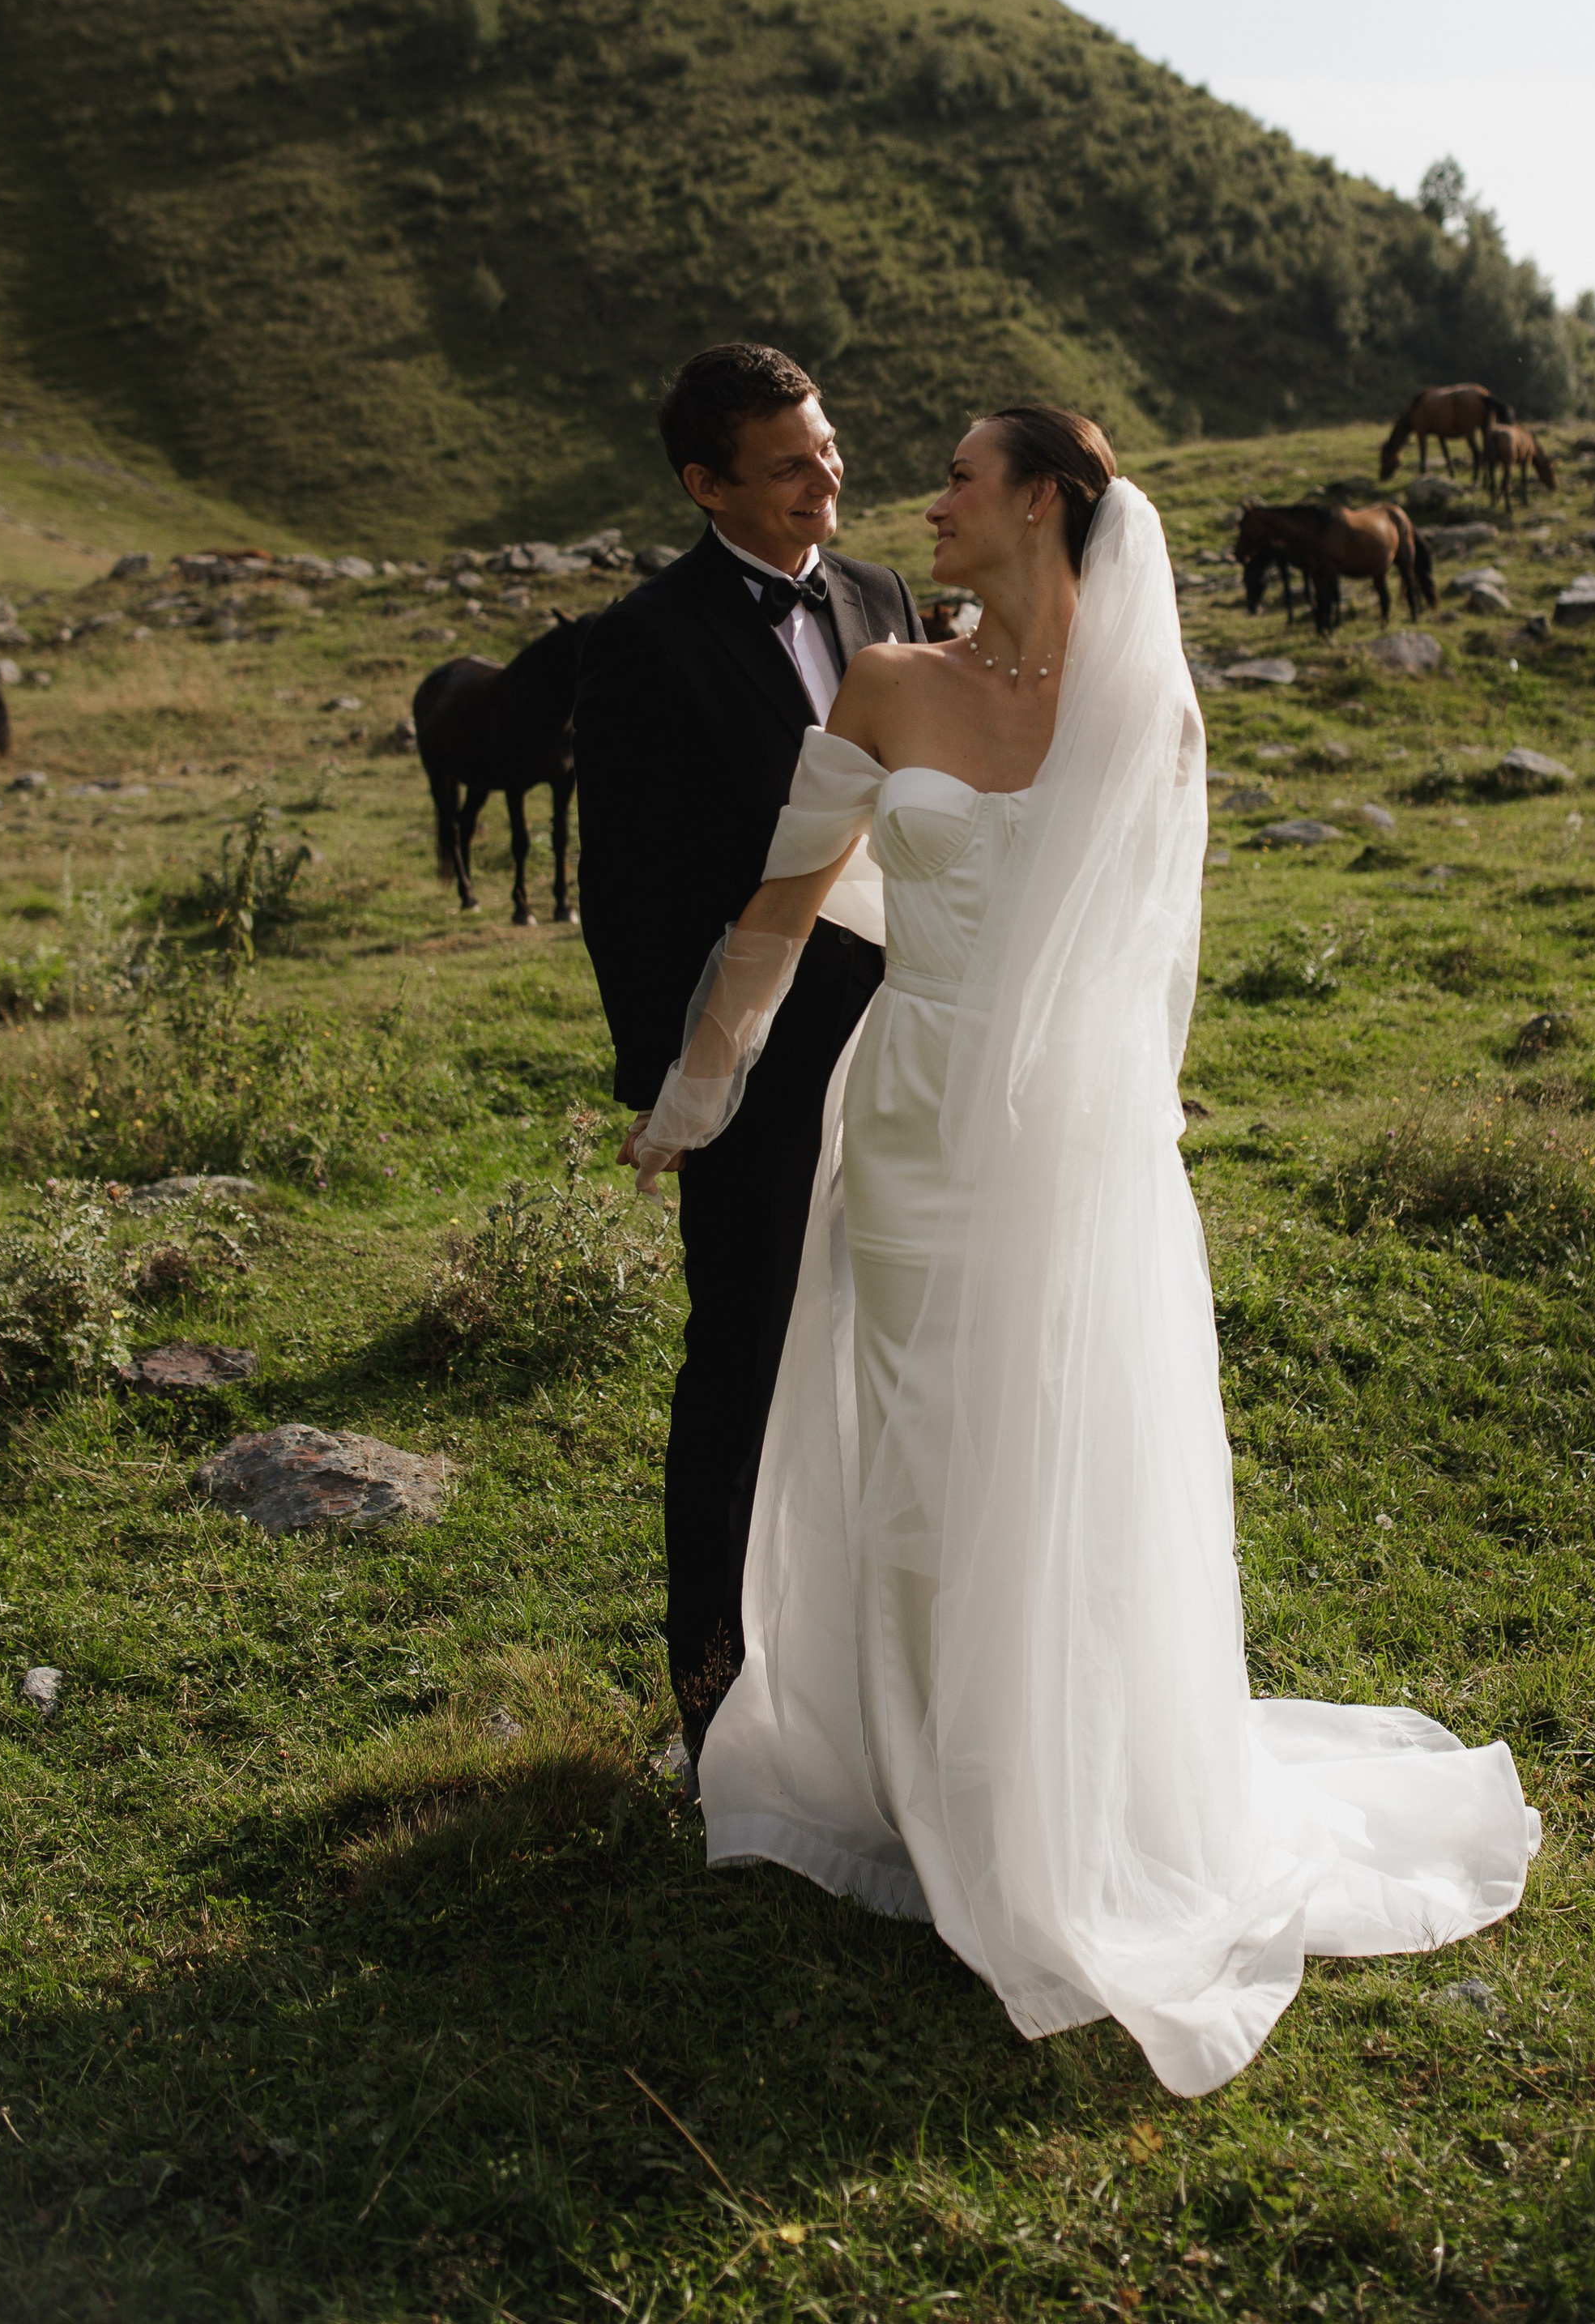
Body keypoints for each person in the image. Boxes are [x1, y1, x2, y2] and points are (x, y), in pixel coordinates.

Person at [627, 403, 1540, 2097]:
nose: (927, 504)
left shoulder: (1151, 713)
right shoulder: (887, 682)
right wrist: (698, 1089)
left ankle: (1060, 1782)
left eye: (959, 479)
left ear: (1041, 501)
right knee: (920, 1429)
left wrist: (1128, 1135)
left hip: (1074, 1138)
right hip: (912, 1118)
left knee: (1060, 1434)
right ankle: (923, 1771)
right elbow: (782, 905)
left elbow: (1147, 961)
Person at [575, 344, 924, 1761]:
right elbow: (627, 889)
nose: (823, 478)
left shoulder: (882, 597)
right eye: (787, 464)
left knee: (895, 1348)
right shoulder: (642, 641)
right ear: (704, 485)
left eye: (826, 448)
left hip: (907, 1046)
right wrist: (688, 1080)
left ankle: (869, 1678)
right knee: (743, 1359)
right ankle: (713, 1698)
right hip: (756, 1062)